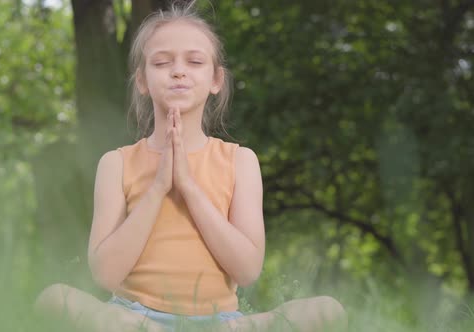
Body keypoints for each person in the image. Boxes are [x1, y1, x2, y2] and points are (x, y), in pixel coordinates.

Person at [34, 1, 347, 331]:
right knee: (53, 298)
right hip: (134, 319)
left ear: (216, 79)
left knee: (328, 310)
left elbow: (247, 270)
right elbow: (106, 275)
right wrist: (158, 188)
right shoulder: (116, 163)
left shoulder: (240, 161)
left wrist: (188, 186)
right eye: (161, 62)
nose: (178, 71)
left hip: (222, 323)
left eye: (195, 61)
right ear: (142, 80)